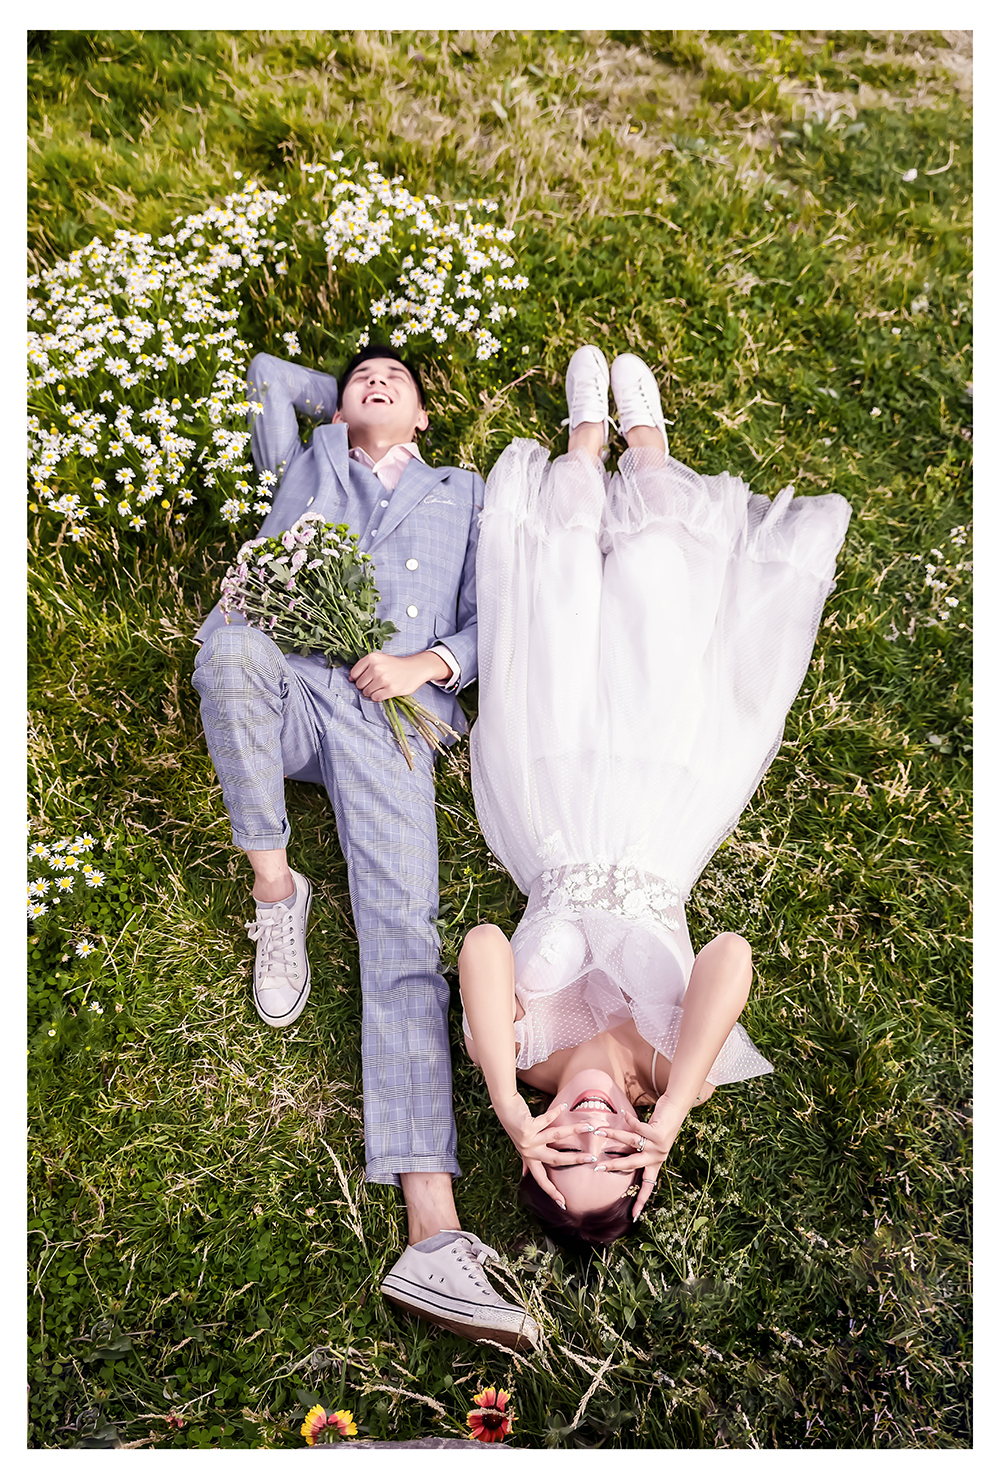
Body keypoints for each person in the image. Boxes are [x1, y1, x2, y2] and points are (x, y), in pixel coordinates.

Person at [459, 346, 852, 1248]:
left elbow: (482, 945)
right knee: (657, 599)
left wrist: (506, 1101)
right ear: (645, 1152)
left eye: (566, 1153)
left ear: (535, 1147)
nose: (593, 1131)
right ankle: (645, 444)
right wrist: (671, 1108)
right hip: (665, 803)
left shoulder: (521, 1057)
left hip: (550, 800)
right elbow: (731, 954)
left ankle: (583, 444)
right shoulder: (677, 1073)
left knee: (560, 600)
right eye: (616, 1154)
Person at [192, 345, 540, 1349]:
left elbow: (496, 615)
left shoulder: (461, 490)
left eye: (399, 380)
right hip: (293, 689)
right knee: (227, 646)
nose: (377, 381)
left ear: (428, 418)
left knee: (403, 938)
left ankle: (432, 1229)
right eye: (360, 376)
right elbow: (268, 371)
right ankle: (276, 889)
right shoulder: (305, 458)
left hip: (397, 718)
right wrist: (339, 411)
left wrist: (423, 663)